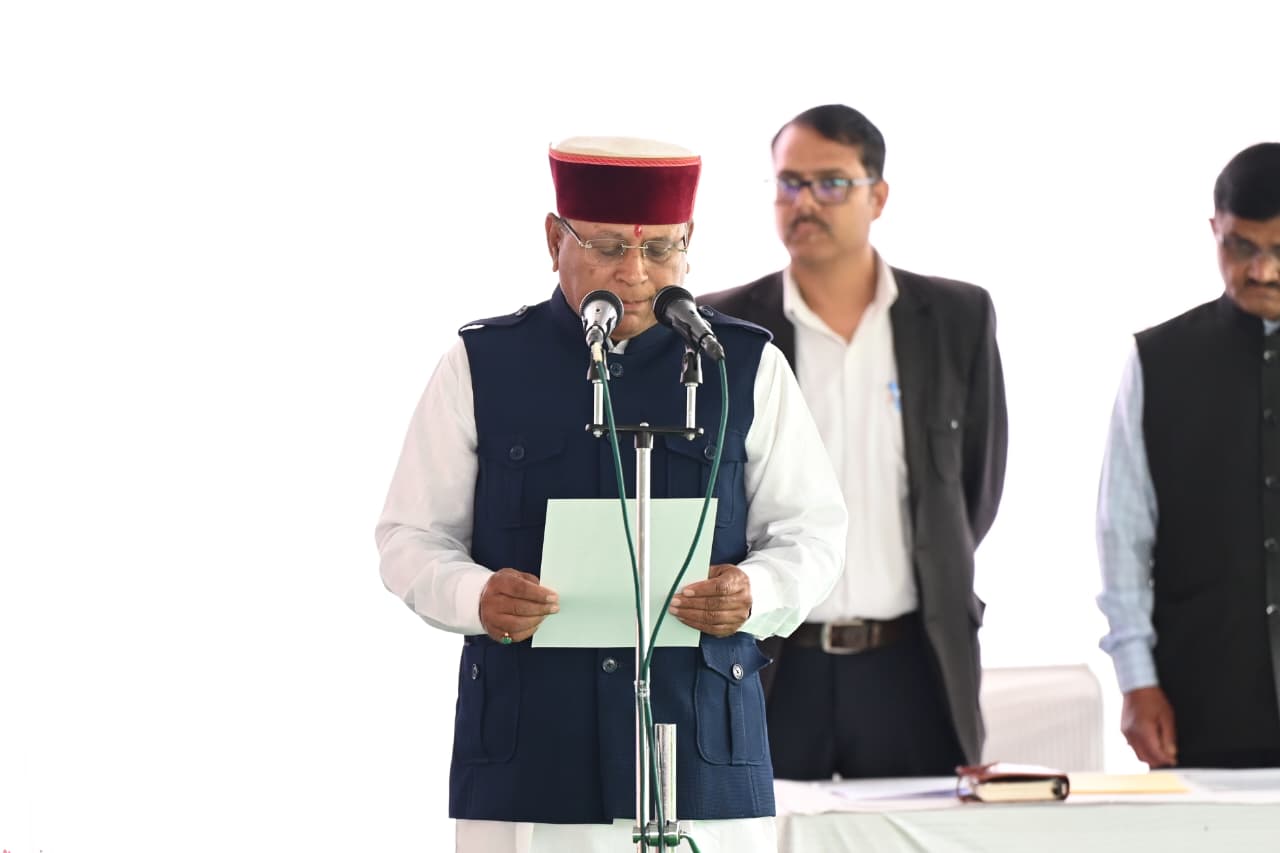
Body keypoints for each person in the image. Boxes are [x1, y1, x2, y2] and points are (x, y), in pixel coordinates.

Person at [375, 135, 847, 851]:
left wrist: (757, 591)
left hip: (701, 751)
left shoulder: (743, 364)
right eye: (605, 246)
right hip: (532, 754)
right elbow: (409, 536)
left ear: (688, 244)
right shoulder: (481, 363)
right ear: (553, 240)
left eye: (660, 248)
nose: (634, 271)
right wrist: (475, 595)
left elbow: (813, 532)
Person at [700, 104, 1008, 779]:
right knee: (759, 826)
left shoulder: (955, 318)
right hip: (770, 659)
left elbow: (974, 489)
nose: (805, 202)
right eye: (789, 182)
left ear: (879, 196)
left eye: (832, 183)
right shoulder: (721, 327)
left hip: (913, 664)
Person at [1097, 142, 1280, 769]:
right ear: (1213, 231)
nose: (1261, 271)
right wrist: (1136, 680)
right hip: (1201, 700)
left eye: (1279, 249)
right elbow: (1122, 536)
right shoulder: (1158, 361)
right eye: (1240, 247)